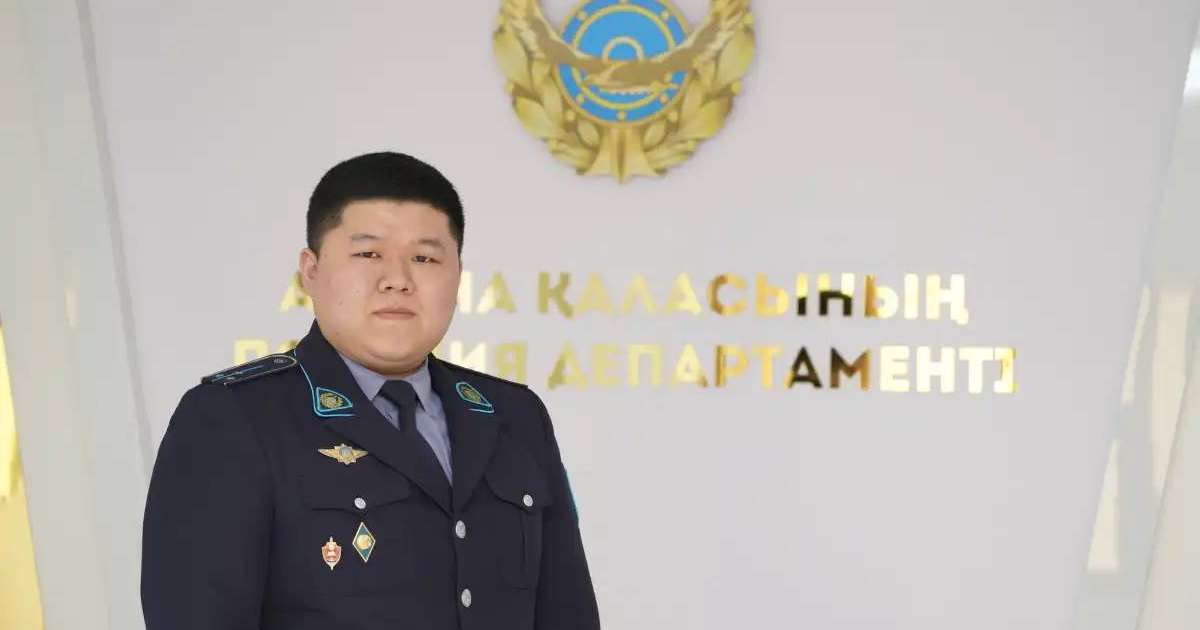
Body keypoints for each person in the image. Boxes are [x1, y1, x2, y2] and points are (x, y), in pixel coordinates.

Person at [141, 152, 601, 630]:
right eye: (368, 254)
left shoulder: (514, 414)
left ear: (457, 275)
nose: (397, 280)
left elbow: (568, 613)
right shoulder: (234, 417)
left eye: (424, 258)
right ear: (311, 270)